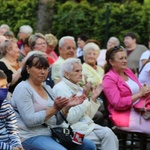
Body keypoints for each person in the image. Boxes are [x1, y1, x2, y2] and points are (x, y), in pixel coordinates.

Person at [11, 54, 97, 150]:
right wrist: (54, 108)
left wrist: (66, 107)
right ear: (28, 69)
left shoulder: (47, 88)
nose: (43, 72)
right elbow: (30, 121)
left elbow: (57, 121)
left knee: (89, 146)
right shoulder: (23, 88)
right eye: (39, 68)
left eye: (45, 68)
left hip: (52, 132)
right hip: (29, 136)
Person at [53, 58, 119, 150]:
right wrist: (84, 96)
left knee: (109, 133)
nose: (81, 74)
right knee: (105, 141)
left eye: (81, 70)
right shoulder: (60, 89)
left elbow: (88, 115)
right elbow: (71, 118)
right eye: (77, 71)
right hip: (71, 130)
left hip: (87, 126)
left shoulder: (78, 87)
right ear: (67, 74)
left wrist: (93, 98)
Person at [102, 46, 150, 133]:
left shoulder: (127, 71)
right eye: (121, 58)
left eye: (125, 58)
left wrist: (145, 88)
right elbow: (118, 103)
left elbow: (138, 87)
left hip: (141, 109)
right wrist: (140, 94)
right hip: (125, 116)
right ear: (111, 62)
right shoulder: (109, 79)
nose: (125, 61)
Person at [0, 70, 23, 150]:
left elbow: (13, 129)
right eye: (1, 86)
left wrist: (17, 146)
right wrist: (10, 149)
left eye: (6, 85)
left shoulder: (6, 105)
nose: (5, 89)